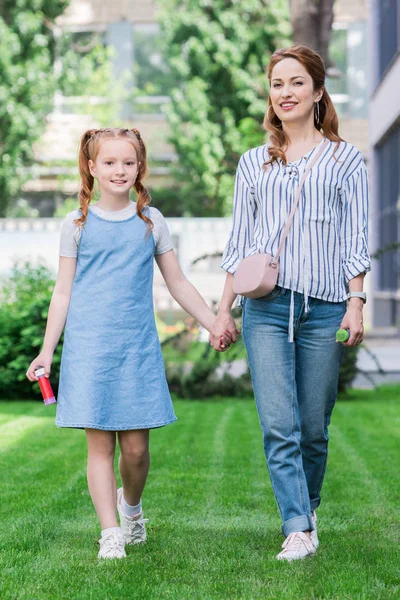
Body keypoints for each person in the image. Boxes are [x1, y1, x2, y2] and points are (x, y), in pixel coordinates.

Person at [26, 127, 230, 560]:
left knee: (136, 450)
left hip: (135, 350)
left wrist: (213, 323)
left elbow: (177, 282)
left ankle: (131, 508)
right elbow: (62, 292)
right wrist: (47, 351)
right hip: (89, 351)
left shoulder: (150, 221)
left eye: (128, 162)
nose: (120, 170)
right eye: (110, 162)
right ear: (92, 167)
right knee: (100, 446)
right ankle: (110, 533)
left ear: (140, 168)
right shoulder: (76, 223)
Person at [210, 45, 370, 561]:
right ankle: (297, 526)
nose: (286, 93)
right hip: (267, 309)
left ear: (318, 91)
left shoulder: (346, 159)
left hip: (324, 309)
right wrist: (222, 310)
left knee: (314, 428)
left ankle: (308, 508)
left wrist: (356, 301)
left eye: (297, 82)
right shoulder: (253, 162)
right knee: (279, 424)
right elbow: (239, 243)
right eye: (278, 84)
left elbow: (356, 237)